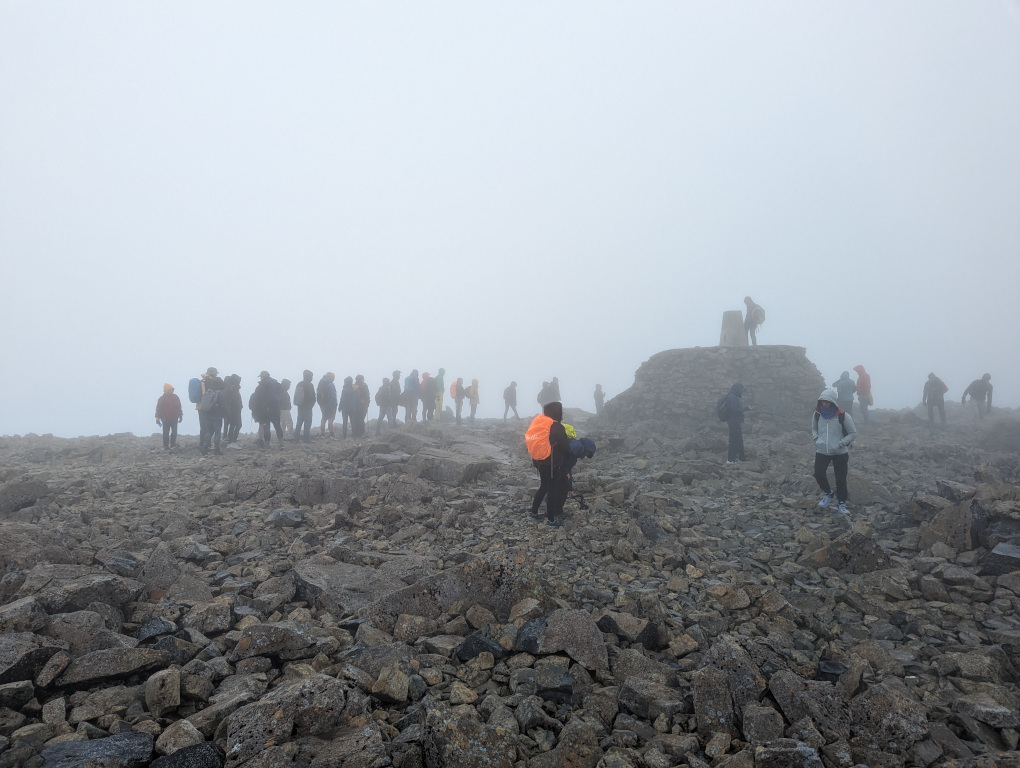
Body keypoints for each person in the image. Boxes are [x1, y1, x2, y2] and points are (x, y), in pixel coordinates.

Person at [527, 401, 573, 528]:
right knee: (552, 490)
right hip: (553, 464)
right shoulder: (557, 427)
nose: (562, 413)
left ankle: (533, 513)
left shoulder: (542, 425)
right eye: (561, 410)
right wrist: (570, 454)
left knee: (543, 486)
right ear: (556, 412)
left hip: (539, 462)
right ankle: (552, 520)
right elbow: (565, 447)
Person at [812, 388, 857, 515]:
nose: (825, 404)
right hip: (822, 450)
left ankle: (841, 503)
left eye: (827, 401)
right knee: (818, 474)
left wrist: (841, 443)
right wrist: (816, 438)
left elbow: (853, 433)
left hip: (840, 452)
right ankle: (828, 494)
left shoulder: (843, 415)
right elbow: (813, 428)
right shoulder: (817, 414)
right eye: (822, 401)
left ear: (833, 402)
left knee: (840, 479)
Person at [250, 371, 285, 449]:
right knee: (277, 426)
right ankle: (281, 443)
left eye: (261, 377)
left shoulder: (260, 387)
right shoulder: (276, 384)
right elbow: (281, 396)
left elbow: (256, 400)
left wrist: (255, 410)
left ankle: (267, 445)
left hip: (264, 410)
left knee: (266, 427)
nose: (261, 378)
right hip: (275, 409)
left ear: (263, 377)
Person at [198, 368, 224, 456]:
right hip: (217, 412)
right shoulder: (219, 386)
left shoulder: (205, 382)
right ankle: (216, 449)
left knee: (209, 431)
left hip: (207, 411)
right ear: (215, 374)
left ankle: (205, 448)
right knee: (217, 431)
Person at [722, 382, 751, 463]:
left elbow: (734, 409)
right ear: (737, 389)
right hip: (734, 421)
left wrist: (746, 408)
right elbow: (734, 410)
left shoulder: (732, 396)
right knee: (734, 440)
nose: (742, 392)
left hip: (734, 421)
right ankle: (731, 459)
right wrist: (745, 409)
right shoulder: (732, 397)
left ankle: (739, 458)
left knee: (737, 440)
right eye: (741, 390)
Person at [155, 383, 183, 451]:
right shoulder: (161, 399)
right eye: (170, 390)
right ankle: (166, 446)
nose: (171, 391)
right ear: (166, 390)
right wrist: (157, 418)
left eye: (172, 390)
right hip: (165, 419)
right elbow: (158, 409)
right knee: (165, 433)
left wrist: (180, 415)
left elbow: (179, 406)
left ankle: (173, 444)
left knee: (174, 432)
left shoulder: (175, 397)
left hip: (174, 418)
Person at [293, 370, 316, 443]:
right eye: (311, 376)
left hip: (300, 405)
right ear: (308, 376)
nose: (312, 378)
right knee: (308, 422)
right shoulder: (310, 385)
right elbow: (312, 396)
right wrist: (312, 403)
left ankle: (296, 438)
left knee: (299, 421)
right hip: (308, 406)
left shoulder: (299, 384)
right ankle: (306, 438)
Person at [221, 374, 244, 448]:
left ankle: (230, 442)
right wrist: (239, 405)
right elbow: (233, 400)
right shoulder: (233, 389)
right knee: (237, 425)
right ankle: (232, 442)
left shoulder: (229, 388)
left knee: (232, 425)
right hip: (234, 410)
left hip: (231, 410)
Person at [317, 372, 338, 438]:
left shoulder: (321, 382)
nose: (334, 378)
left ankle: (322, 434)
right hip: (330, 404)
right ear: (329, 376)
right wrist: (335, 404)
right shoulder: (330, 384)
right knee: (330, 418)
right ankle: (331, 434)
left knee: (324, 418)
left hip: (322, 404)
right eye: (333, 377)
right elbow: (333, 395)